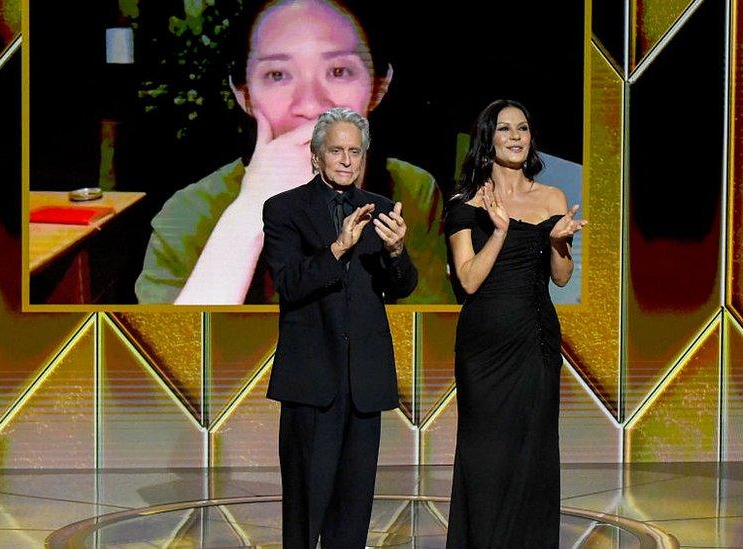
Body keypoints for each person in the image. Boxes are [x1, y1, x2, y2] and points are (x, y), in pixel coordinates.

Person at [134, 0, 451, 304]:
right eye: (277, 75)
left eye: (339, 71)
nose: (311, 105)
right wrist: (246, 219)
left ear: (378, 87)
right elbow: (170, 356)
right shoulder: (191, 213)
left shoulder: (411, 192)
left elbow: (427, 339)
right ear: (244, 95)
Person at [263, 107, 416, 547]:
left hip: (365, 381)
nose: (347, 160)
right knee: (306, 507)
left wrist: (396, 252)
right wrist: (336, 249)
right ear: (316, 157)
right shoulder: (284, 209)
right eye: (337, 151)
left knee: (354, 510)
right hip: (312, 381)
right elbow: (289, 284)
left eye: (355, 151)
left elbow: (402, 285)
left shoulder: (382, 210)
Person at [444, 99, 586, 547]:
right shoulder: (465, 203)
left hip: (535, 340)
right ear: (488, 138)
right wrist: (501, 231)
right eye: (504, 129)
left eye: (522, 128)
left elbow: (560, 279)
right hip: (484, 346)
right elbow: (468, 280)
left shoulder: (552, 198)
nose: (515, 137)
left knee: (533, 453)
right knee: (484, 456)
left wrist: (560, 243)